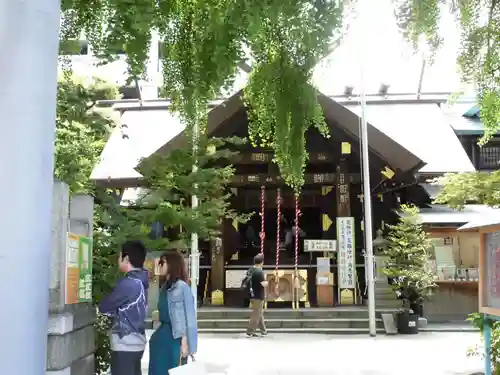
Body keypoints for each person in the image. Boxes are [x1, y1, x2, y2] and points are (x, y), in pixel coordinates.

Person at [99, 240, 149, 375]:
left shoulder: (129, 284)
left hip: (125, 343)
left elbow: (104, 306)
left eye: (119, 257)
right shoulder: (142, 281)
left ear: (126, 259)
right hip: (136, 342)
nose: (117, 260)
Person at [149, 250, 198, 374]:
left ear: (172, 264)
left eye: (162, 262)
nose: (159, 265)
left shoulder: (182, 287)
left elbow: (189, 317)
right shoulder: (164, 287)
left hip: (176, 338)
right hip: (161, 336)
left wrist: (186, 343)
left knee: (174, 370)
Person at [246, 253, 268, 337]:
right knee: (256, 314)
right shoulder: (259, 271)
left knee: (259, 313)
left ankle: (263, 330)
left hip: (251, 295)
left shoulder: (250, 270)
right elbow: (264, 284)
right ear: (262, 262)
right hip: (258, 295)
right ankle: (250, 331)